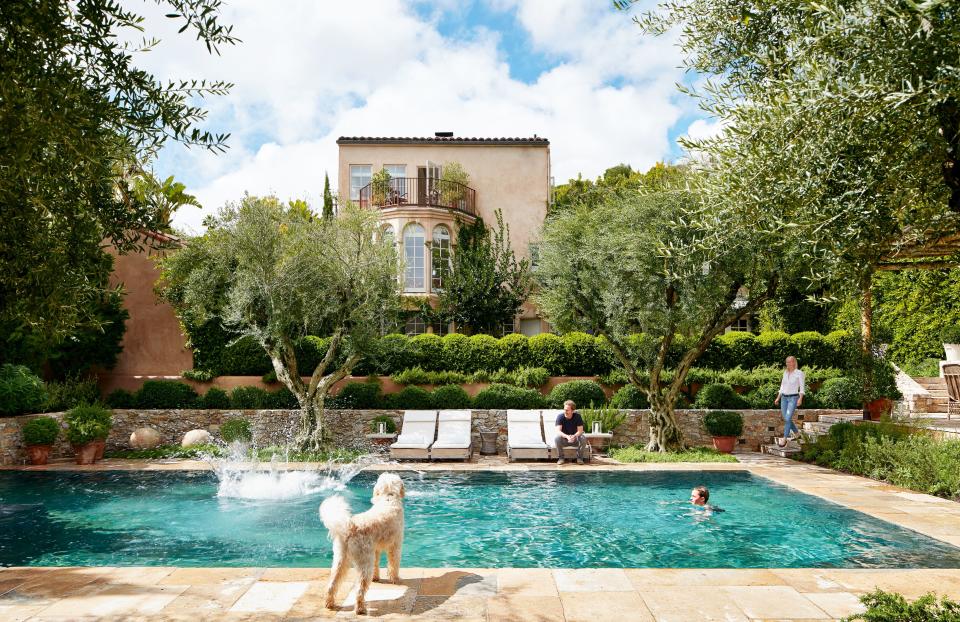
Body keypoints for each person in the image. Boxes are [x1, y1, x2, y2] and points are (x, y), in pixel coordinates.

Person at [773, 355, 805, 447]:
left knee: (787, 419)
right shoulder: (785, 373)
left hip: (793, 398)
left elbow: (802, 388)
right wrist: (778, 398)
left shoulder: (799, 373)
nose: (789, 363)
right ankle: (797, 434)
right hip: (784, 398)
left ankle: (784, 438)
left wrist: (800, 398)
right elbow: (782, 387)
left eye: (791, 361)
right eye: (787, 362)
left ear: (794, 362)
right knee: (786, 418)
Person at [554, 399, 588, 465]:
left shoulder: (577, 417)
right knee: (557, 438)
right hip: (564, 440)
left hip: (575, 440)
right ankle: (561, 458)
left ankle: (579, 458)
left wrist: (574, 436)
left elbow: (580, 431)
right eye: (564, 409)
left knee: (583, 438)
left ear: (572, 410)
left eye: (567, 410)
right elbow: (558, 431)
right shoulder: (560, 417)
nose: (565, 411)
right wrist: (567, 436)